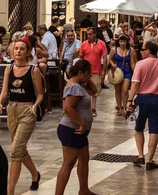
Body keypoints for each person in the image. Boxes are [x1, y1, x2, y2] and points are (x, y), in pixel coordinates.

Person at [0, 39, 44, 195]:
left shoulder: (33, 70)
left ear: (27, 52)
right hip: (12, 109)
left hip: (27, 110)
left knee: (15, 151)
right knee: (20, 149)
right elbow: (4, 91)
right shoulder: (9, 68)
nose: (18, 51)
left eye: (22, 49)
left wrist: (35, 106)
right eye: (16, 48)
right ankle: (35, 175)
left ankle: (9, 191)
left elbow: (40, 94)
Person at [55, 60, 97, 195]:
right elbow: (67, 108)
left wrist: (86, 78)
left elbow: (94, 90)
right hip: (72, 130)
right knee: (68, 163)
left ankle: (84, 189)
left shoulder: (80, 85)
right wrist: (81, 122)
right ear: (80, 73)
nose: (90, 76)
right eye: (88, 73)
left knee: (84, 159)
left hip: (79, 131)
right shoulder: (74, 87)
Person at [128, 41, 158, 170]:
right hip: (156, 99)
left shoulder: (140, 64)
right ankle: (150, 160)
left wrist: (129, 100)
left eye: (143, 49)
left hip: (142, 99)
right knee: (154, 131)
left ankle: (141, 155)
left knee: (139, 128)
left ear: (149, 51)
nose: (140, 51)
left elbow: (135, 84)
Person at [79, 27, 108, 117]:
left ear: (95, 34)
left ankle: (93, 108)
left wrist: (104, 70)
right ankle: (85, 107)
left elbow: (104, 57)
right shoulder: (84, 44)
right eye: (87, 34)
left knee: (94, 90)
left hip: (96, 70)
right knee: (84, 89)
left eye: (90, 34)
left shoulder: (102, 44)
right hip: (85, 71)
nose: (88, 36)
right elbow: (81, 57)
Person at [108, 35, 137, 116]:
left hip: (127, 71)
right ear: (119, 42)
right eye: (121, 41)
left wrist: (135, 73)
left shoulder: (131, 51)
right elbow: (109, 59)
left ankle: (125, 107)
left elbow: (132, 63)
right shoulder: (114, 50)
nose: (123, 43)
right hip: (117, 72)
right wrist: (112, 64)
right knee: (117, 90)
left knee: (125, 90)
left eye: (124, 41)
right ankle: (119, 108)